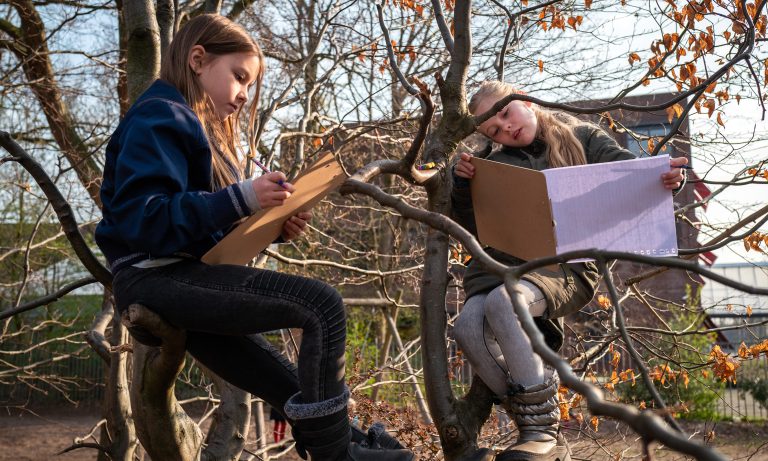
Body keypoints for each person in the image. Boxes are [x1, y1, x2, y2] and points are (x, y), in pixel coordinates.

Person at [95, 14, 412, 461]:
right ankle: (341, 455)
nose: (245, 94)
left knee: (288, 384)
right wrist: (242, 198)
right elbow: (144, 220)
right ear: (198, 59)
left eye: (250, 85)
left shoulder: (193, 125)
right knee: (322, 306)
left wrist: (271, 231)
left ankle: (360, 445)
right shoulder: (159, 115)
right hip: (155, 280)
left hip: (182, 278)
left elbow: (203, 231)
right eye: (240, 77)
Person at [451, 80, 687, 461]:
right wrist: (461, 184)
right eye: (494, 130)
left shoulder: (581, 136)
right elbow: (467, 223)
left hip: (563, 267)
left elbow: (624, 172)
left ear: (525, 100)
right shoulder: (490, 165)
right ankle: (535, 406)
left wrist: (664, 178)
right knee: (466, 328)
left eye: (506, 114)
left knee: (506, 302)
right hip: (495, 268)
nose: (506, 128)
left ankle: (542, 431)